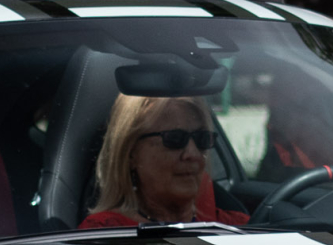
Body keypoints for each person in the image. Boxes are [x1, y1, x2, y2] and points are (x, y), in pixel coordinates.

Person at [80, 95, 250, 229]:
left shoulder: (236, 228)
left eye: (202, 139)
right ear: (130, 153)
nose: (193, 154)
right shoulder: (102, 235)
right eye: (174, 139)